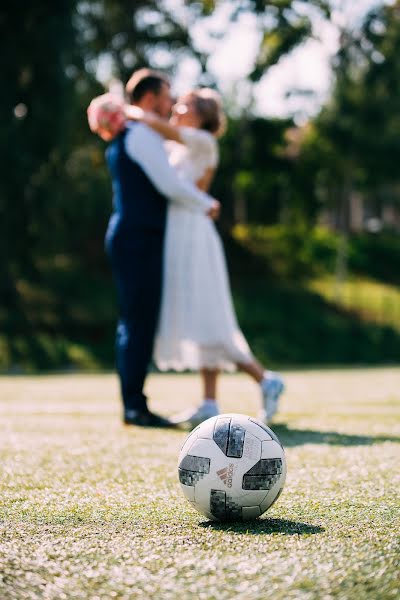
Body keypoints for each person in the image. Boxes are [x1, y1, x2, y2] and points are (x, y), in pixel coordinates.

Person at [130, 89, 285, 427]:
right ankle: (210, 402)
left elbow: (158, 126)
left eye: (184, 105)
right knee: (200, 319)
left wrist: (125, 109)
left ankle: (265, 380)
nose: (176, 108)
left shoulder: (202, 141)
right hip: (179, 235)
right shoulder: (179, 146)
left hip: (196, 236)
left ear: (201, 115)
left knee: (210, 319)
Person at [102, 69, 220, 427]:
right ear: (151, 98)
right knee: (137, 323)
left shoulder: (138, 132)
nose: (170, 103)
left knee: (137, 321)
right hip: (138, 238)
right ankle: (135, 406)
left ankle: (135, 402)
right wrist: (205, 201)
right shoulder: (139, 135)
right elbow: (169, 184)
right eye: (168, 96)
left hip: (138, 237)